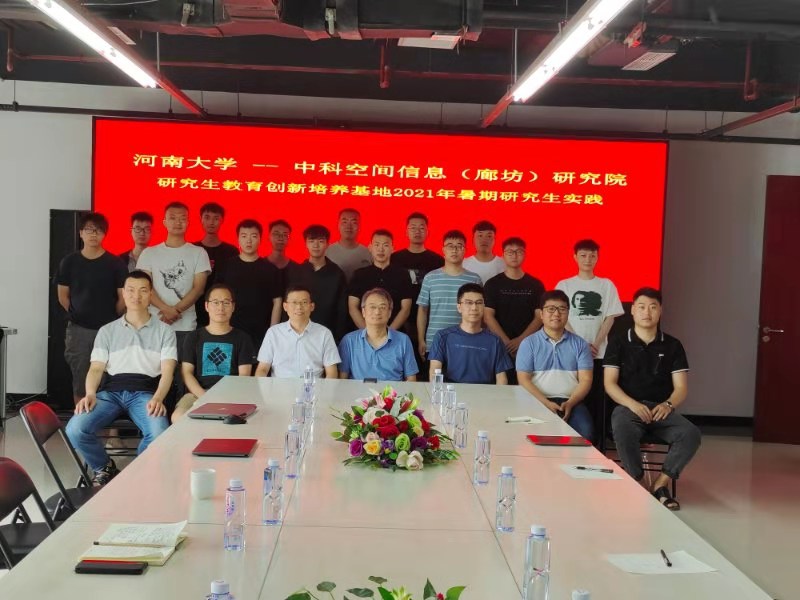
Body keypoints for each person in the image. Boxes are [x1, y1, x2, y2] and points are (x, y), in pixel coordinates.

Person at [65, 270, 176, 485]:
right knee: (75, 429)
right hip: (110, 393)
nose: (136, 296)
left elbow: (168, 371)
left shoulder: (165, 331)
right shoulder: (107, 331)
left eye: (143, 291)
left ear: (150, 294)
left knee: (159, 433)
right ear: (123, 293)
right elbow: (96, 368)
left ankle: (136, 473)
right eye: (131, 290)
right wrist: (90, 393)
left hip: (146, 393)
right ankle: (104, 467)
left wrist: (158, 398)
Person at [604, 287, 701, 511]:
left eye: (652, 307)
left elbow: (681, 388)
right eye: (641, 307)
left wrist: (668, 404)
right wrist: (632, 404)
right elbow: (610, 383)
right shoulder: (618, 342)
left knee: (690, 434)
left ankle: (660, 484)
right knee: (622, 426)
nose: (647, 312)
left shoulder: (673, 345)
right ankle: (637, 481)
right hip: (628, 408)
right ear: (633, 311)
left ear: (660, 311)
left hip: (661, 410)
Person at [56, 212, 127, 404]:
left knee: (108, 377)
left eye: (98, 230)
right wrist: (78, 314)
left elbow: (123, 298)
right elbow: (63, 296)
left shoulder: (116, 263)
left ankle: (105, 420)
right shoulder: (69, 262)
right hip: (78, 330)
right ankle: (81, 419)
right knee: (80, 377)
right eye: (89, 230)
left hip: (108, 330)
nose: (93, 234)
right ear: (80, 233)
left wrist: (110, 317)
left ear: (105, 234)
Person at [556, 239, 623, 437]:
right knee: (573, 397)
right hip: (570, 352)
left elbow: (610, 317)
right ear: (575, 257)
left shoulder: (606, 285)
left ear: (597, 258)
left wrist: (596, 343)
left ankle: (596, 442)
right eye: (583, 255)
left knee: (597, 400)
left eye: (592, 256)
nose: (588, 259)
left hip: (599, 353)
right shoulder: (564, 285)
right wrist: (580, 344)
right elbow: (561, 317)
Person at [515, 290, 595, 441]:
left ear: (568, 313)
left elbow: (586, 380)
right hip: (536, 401)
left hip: (571, 401)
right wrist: (545, 403)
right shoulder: (528, 343)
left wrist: (570, 403)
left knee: (586, 433)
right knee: (531, 437)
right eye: (551, 309)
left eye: (562, 309)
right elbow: (523, 380)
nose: (556, 314)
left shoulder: (580, 344)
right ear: (541, 314)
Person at [171, 284, 254, 422]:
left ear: (233, 307)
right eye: (215, 302)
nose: (221, 308)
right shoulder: (193, 337)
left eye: (226, 303)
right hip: (197, 394)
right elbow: (186, 372)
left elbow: (243, 376)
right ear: (206, 306)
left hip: (232, 397)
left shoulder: (243, 338)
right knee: (178, 417)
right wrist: (205, 397)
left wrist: (224, 399)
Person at [137, 202, 211, 351]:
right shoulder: (149, 253)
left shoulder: (199, 253)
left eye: (182, 218)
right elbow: (144, 287)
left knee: (183, 364)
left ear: (188, 222)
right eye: (172, 218)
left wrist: (175, 310)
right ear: (164, 222)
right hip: (153, 323)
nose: (178, 222)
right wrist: (166, 309)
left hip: (186, 326)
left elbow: (198, 289)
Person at [216, 219, 282, 352]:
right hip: (229, 330)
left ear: (260, 239)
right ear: (238, 239)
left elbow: (277, 301)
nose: (249, 241)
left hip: (260, 333)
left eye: (253, 236)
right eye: (244, 236)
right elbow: (216, 298)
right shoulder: (226, 266)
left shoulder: (270, 269)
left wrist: (272, 332)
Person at [391, 212, 444, 374]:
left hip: (429, 320)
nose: (417, 231)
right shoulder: (395, 258)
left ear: (428, 232)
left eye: (421, 228)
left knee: (425, 366)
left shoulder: (437, 260)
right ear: (406, 232)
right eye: (413, 227)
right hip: (399, 320)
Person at [416, 230, 482, 358]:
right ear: (443, 250)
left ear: (465, 250)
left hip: (466, 342)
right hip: (435, 342)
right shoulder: (430, 278)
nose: (454, 250)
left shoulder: (474, 279)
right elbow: (422, 310)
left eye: (459, 246)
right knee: (435, 372)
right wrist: (421, 339)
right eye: (450, 246)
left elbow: (480, 312)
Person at [429, 284, 512, 384]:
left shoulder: (495, 340)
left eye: (479, 303)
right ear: (459, 307)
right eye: (468, 303)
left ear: (484, 306)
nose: (474, 308)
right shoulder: (443, 336)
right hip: (452, 391)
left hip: (485, 392)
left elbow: (501, 378)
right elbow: (434, 372)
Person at [255, 286, 340, 379]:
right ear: (285, 306)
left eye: (304, 302)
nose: (299, 307)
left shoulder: (324, 334)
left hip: (313, 387)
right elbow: (262, 369)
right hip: (280, 387)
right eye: (294, 302)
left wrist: (326, 389)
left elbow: (332, 372)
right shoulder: (273, 333)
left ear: (312, 306)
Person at [484, 237, 546, 361]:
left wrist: (521, 341)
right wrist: (507, 343)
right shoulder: (492, 284)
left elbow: (539, 317)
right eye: (510, 252)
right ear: (503, 255)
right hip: (499, 346)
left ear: (525, 254)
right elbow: (487, 316)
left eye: (519, 251)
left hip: (529, 346)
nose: (514, 255)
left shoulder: (536, 285)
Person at [285, 224, 349, 341]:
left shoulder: (337, 273)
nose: (316, 245)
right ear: (306, 243)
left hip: (328, 333)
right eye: (311, 241)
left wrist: (339, 338)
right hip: (298, 333)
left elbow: (342, 310)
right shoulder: (296, 271)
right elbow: (289, 304)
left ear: (328, 244)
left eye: (321, 241)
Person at [338, 288, 418, 382]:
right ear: (363, 312)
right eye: (372, 307)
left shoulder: (403, 340)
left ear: (389, 313)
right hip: (358, 391)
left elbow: (411, 379)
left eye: (382, 307)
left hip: (392, 391)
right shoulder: (349, 341)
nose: (377, 312)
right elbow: (342, 380)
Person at [348, 229, 413, 331]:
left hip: (395, 332)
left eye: (385, 245)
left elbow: (406, 309)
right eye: (377, 245)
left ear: (393, 248)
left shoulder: (402, 274)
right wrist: (368, 333)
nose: (381, 249)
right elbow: (353, 307)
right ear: (370, 247)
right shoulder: (359, 275)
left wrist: (389, 333)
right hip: (364, 334)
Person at [194, 202, 239, 327]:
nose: (211, 222)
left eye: (216, 218)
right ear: (201, 220)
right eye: (207, 217)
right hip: (194, 310)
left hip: (222, 310)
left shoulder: (232, 251)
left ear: (222, 221)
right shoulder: (192, 249)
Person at [325, 208, 372, 282]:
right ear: (338, 225)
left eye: (354, 222)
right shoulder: (326, 252)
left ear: (359, 226)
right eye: (344, 222)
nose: (349, 226)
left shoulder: (368, 253)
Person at [266, 219, 298, 292]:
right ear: (269, 237)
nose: (280, 238)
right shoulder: (260, 266)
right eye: (276, 234)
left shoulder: (297, 269)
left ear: (289, 239)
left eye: (285, 235)